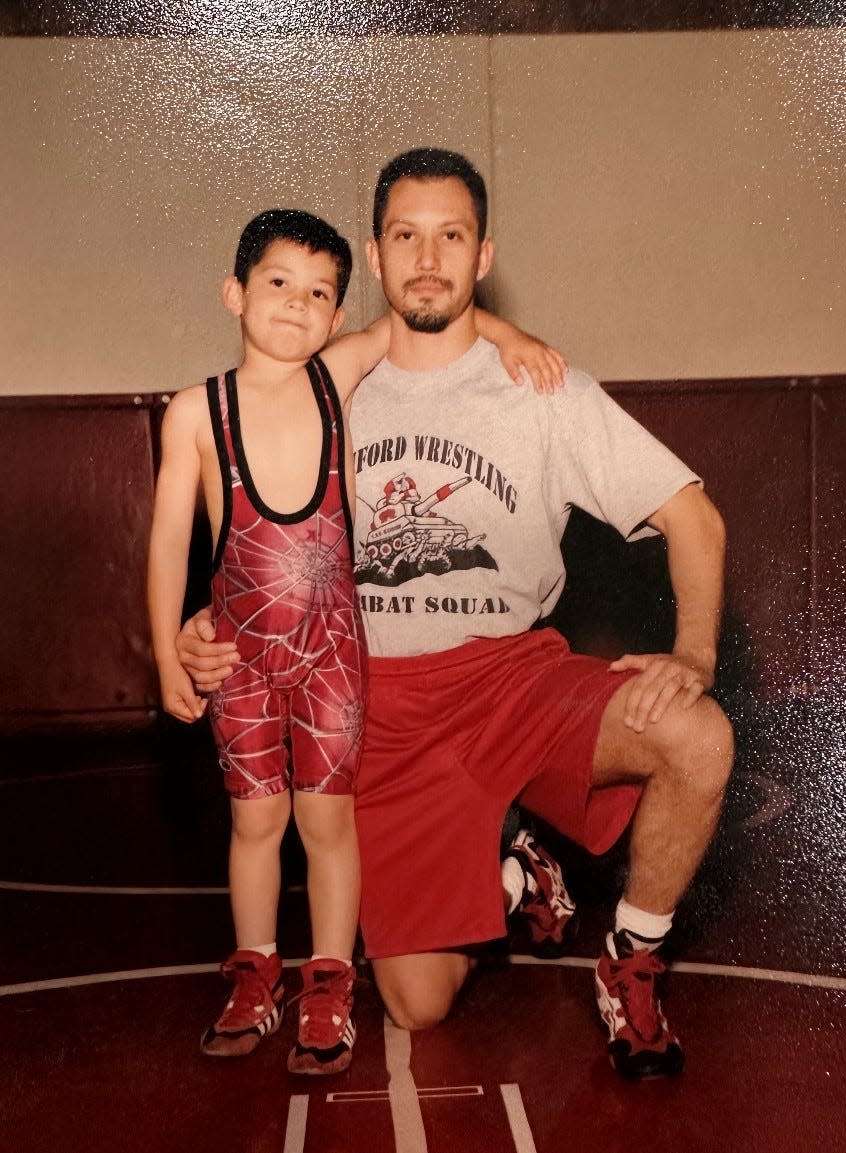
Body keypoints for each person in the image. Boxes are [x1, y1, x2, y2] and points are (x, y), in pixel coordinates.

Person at [178, 150, 734, 1081]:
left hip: (512, 677)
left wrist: (695, 651)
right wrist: (211, 617)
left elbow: (694, 517)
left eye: (451, 235)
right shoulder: (324, 383)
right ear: (375, 252)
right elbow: (246, 512)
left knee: (698, 737)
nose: (427, 257)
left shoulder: (541, 388)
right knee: (412, 1004)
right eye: (406, 235)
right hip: (377, 704)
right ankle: (511, 868)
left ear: (484, 255)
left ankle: (631, 958)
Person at [149, 207, 568, 1074]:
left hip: (332, 654)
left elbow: (430, 313)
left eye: (318, 293)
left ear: (338, 315)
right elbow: (164, 543)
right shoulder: (196, 412)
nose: (297, 305)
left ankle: (332, 978)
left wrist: (513, 330)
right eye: (277, 283)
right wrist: (164, 650)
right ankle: (256, 970)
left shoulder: (336, 377)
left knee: (326, 820)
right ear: (233, 292)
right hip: (242, 660)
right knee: (255, 821)